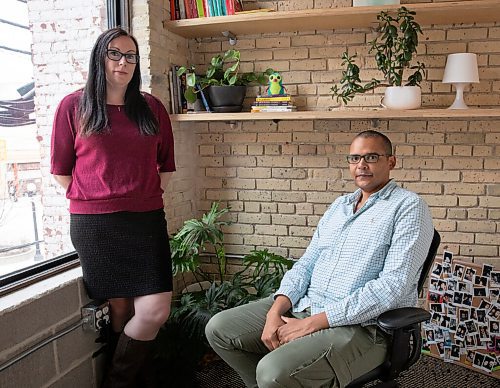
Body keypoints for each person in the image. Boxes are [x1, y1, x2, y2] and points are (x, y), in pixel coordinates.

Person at [205, 130, 434, 388]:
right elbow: (307, 262)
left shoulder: (408, 206)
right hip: (306, 306)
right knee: (220, 329)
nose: (361, 165)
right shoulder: (340, 206)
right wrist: (275, 311)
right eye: (355, 158)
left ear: (390, 161)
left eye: (371, 157)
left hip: (360, 328)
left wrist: (313, 324)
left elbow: (392, 288)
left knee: (272, 373)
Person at [50, 27, 175, 386]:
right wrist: (99, 195)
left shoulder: (151, 108)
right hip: (96, 224)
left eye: (131, 56)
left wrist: (140, 195)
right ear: (99, 58)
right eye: (115, 54)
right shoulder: (74, 106)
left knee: (154, 309)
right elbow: (61, 171)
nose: (123, 62)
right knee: (119, 309)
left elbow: (165, 166)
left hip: (146, 220)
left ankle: (115, 382)